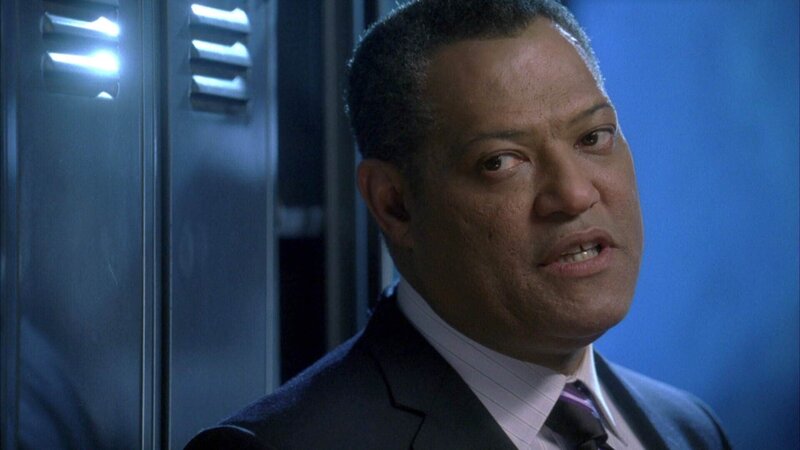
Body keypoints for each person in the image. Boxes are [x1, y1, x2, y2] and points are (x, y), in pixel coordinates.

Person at [186, 1, 732, 448]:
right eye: (501, 162)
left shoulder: (689, 429)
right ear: (394, 204)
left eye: (592, 137)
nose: (573, 194)